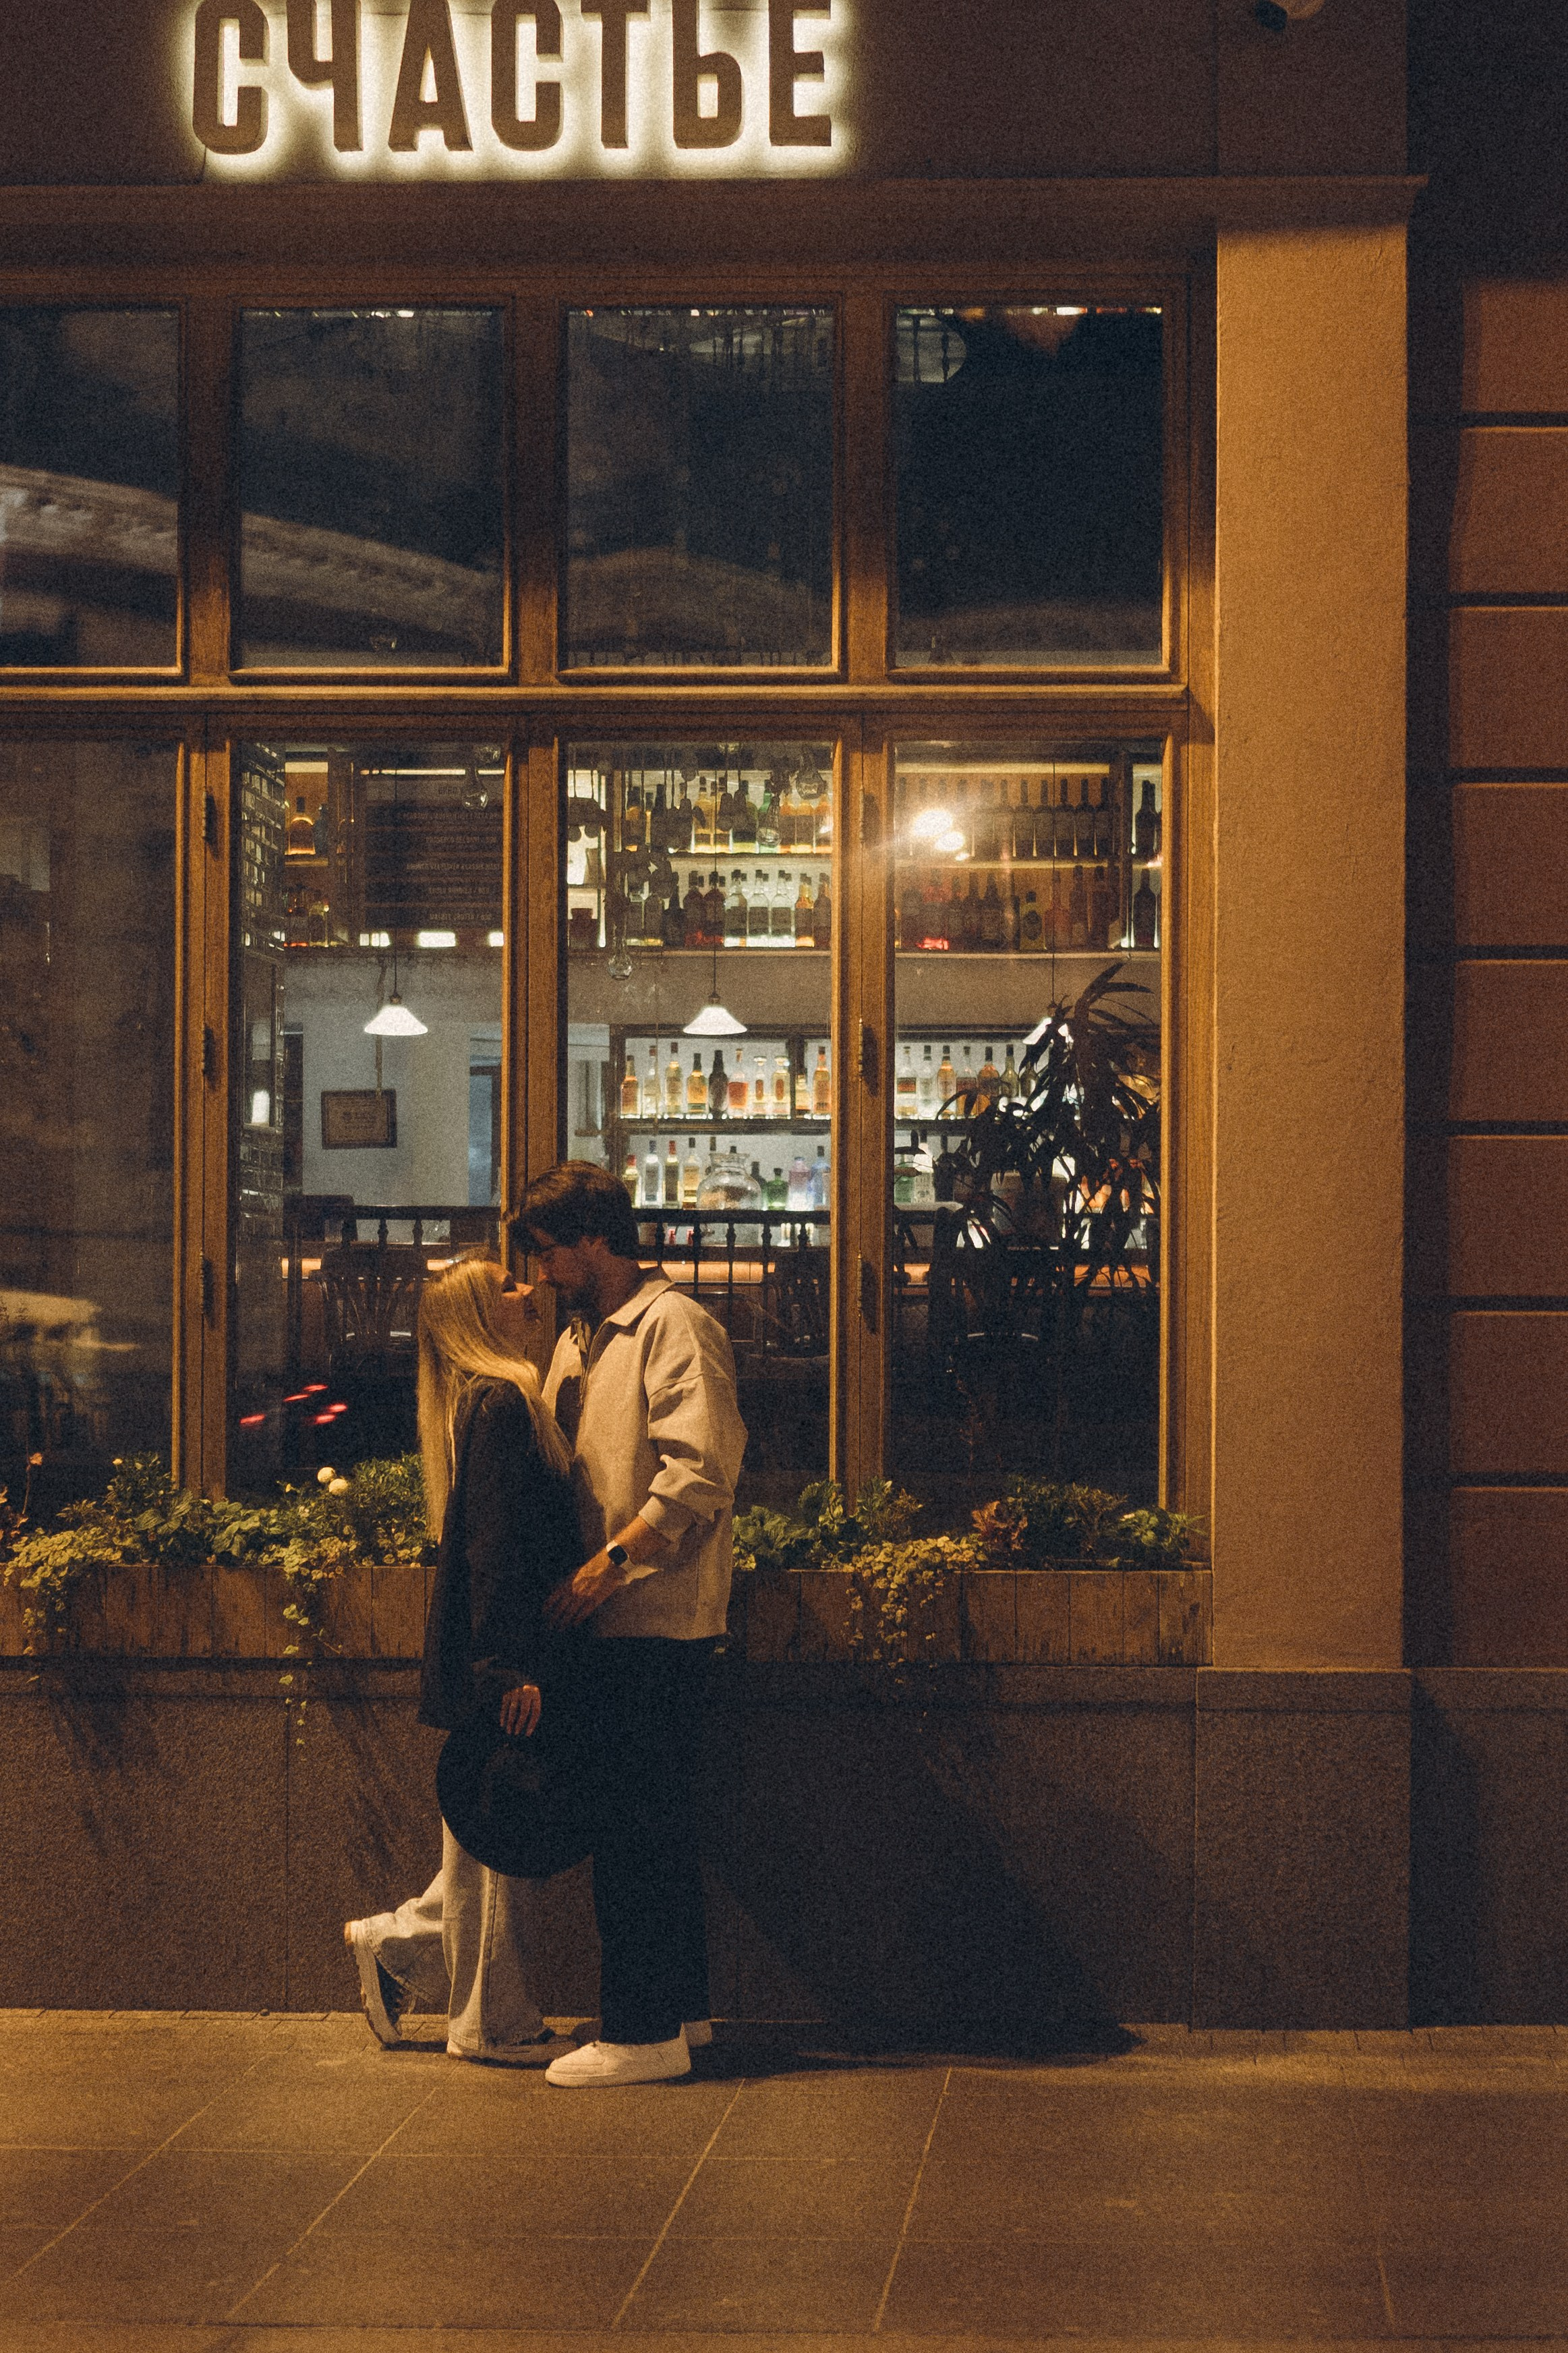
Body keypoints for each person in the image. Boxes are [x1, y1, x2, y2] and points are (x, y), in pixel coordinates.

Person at [514, 1161, 747, 2087]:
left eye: (548, 1250)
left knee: (634, 1832)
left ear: (595, 1239)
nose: (539, 1272)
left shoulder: (671, 1326)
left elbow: (698, 1474)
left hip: (651, 1618)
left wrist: (603, 1572)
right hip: (621, 1616)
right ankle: (677, 2018)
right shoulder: (584, 1339)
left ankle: (640, 2031)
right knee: (655, 1826)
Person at [343, 1250, 585, 2064]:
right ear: (480, 1318)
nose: (528, 1291)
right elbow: (495, 1550)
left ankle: (396, 1943)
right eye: (506, 1288)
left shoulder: (479, 1400)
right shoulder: (504, 1402)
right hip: (505, 1655)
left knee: (486, 1832)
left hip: (491, 1650)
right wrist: (508, 1670)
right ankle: (488, 2021)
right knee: (496, 1842)